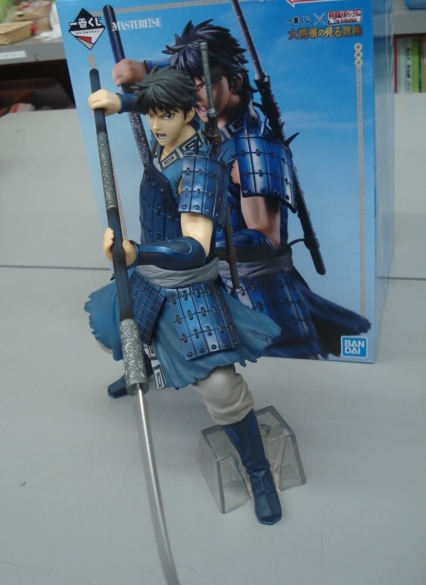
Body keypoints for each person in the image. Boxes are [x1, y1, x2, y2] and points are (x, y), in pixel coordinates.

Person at [86, 67, 282, 525]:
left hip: (187, 283)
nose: (156, 125)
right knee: (126, 328)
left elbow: (195, 247)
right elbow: (156, 103)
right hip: (147, 274)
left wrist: (136, 252)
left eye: (165, 115)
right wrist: (121, 103)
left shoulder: (199, 168)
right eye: (151, 114)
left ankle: (258, 472)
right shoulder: (166, 126)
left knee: (220, 387)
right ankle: (140, 368)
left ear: (189, 113)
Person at [111, 19, 371, 361]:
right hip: (205, 282)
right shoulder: (208, 120)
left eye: (200, 86)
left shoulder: (251, 148)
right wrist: (145, 69)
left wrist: (198, 246)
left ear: (233, 82)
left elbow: (265, 237)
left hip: (255, 293)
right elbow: (200, 69)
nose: (191, 96)